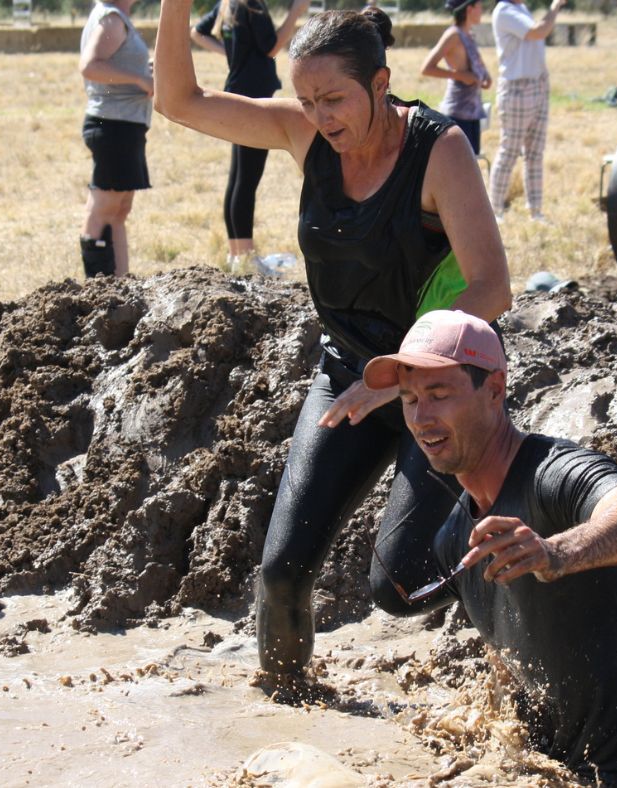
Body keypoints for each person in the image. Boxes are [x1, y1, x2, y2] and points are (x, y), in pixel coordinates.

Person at [155, 4, 512, 677]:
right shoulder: (304, 136)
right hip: (349, 375)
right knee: (282, 573)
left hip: (440, 382)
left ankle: (519, 566)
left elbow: (492, 288)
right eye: (306, 99)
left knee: (399, 586)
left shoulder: (439, 151)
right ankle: (282, 711)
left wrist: (394, 379)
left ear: (380, 84)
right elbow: (178, 100)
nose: (320, 116)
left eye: (334, 98)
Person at [361, 309, 617, 782]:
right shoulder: (456, 539)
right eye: (408, 399)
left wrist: (558, 553)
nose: (421, 417)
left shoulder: (554, 474)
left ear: (494, 390)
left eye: (438, 394)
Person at [189, 0, 309, 273]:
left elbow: (197, 32)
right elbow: (272, 48)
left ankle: (237, 254)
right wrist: (295, 13)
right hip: (253, 98)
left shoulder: (228, 4)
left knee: (238, 178)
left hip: (237, 92)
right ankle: (245, 257)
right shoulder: (252, 4)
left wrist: (234, 54)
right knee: (247, 179)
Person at [77, 0, 154, 278]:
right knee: (104, 210)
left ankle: (120, 287)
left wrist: (143, 74)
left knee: (119, 210)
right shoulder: (111, 19)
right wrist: (140, 80)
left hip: (124, 125)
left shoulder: (116, 18)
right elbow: (91, 66)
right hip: (112, 125)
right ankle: (100, 292)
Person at [488, 0, 564, 222]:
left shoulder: (519, 8)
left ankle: (536, 211)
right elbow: (537, 31)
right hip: (517, 89)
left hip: (537, 85)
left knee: (534, 154)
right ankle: (495, 211)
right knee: (509, 151)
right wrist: (555, 7)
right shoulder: (504, 11)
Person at [420, 0, 491, 156]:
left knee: (471, 166)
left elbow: (477, 65)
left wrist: (485, 76)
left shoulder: (469, 34)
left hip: (473, 113)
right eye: (479, 6)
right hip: (457, 114)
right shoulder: (453, 35)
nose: (482, 10)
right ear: (469, 9)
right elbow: (426, 68)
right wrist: (460, 75)